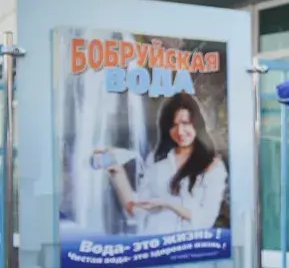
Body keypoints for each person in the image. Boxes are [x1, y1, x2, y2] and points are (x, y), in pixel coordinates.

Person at [97, 92, 228, 233]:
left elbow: (205, 221)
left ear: (197, 124)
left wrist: (168, 204)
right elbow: (136, 211)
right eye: (174, 125)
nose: (180, 131)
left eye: (185, 123)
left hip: (189, 249)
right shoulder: (157, 159)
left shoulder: (212, 166)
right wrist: (118, 173)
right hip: (154, 246)